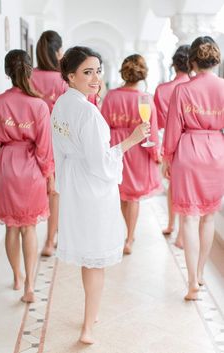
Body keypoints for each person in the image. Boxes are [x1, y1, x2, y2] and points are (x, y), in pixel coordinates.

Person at [51, 46, 150, 344]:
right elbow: (101, 164)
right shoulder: (88, 112)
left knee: (88, 256)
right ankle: (87, 327)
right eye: (87, 72)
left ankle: (91, 315)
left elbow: (60, 151)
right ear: (70, 76)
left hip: (73, 184)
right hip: (92, 189)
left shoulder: (61, 105)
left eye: (97, 71)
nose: (95, 78)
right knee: (95, 260)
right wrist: (130, 141)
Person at [0, 49, 54, 303]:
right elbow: (44, 148)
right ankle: (29, 286)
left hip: (6, 167)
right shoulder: (39, 105)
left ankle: (16, 276)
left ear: (7, 72)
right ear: (30, 71)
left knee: (12, 229)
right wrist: (49, 175)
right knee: (29, 229)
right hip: (31, 170)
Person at [162, 36, 224, 300]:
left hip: (188, 150)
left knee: (189, 218)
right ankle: (200, 273)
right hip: (216, 151)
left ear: (193, 61)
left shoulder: (182, 90)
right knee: (208, 216)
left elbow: (174, 129)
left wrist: (167, 157)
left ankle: (192, 284)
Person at [101, 54, 162, 255]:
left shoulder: (111, 96)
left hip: (118, 146)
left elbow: (103, 125)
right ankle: (129, 237)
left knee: (122, 193)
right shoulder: (146, 99)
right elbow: (151, 130)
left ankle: (125, 233)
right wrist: (156, 154)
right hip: (138, 148)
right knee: (133, 196)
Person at [31, 30, 68, 257]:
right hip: (57, 140)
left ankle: (32, 234)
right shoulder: (62, 79)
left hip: (32, 140)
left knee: (37, 190)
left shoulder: (29, 77)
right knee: (55, 192)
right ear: (56, 51)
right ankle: (49, 240)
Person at [154, 45, 190, 248]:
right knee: (188, 190)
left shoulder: (162, 89)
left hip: (170, 140)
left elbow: (159, 122)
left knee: (173, 186)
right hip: (193, 143)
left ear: (174, 65)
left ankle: (170, 224)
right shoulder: (192, 87)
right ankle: (183, 235)